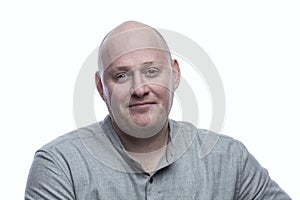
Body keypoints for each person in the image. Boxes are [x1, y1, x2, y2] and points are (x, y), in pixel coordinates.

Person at [25, 21, 291, 199]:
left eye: (151, 71)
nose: (140, 88)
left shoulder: (230, 160)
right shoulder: (60, 166)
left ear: (174, 75)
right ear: (100, 87)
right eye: (121, 76)